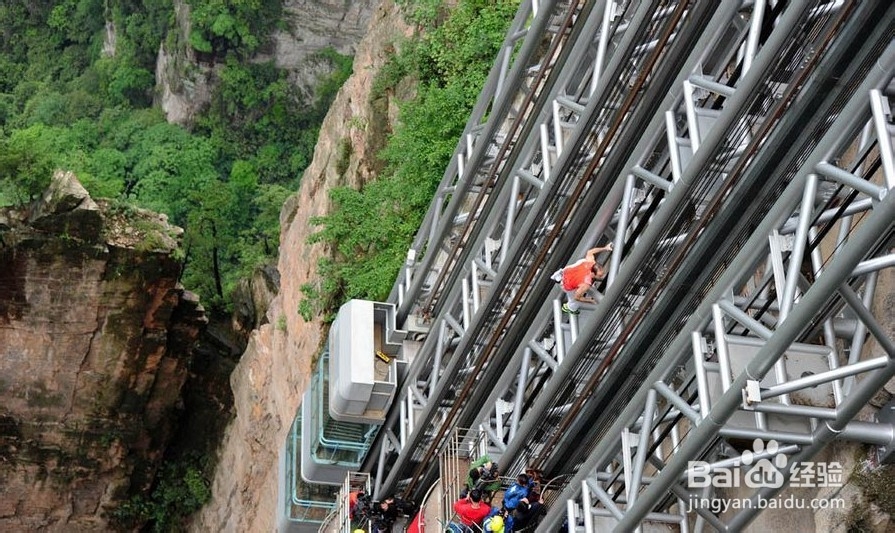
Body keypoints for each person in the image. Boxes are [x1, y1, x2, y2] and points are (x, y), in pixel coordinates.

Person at [557, 243, 613, 314]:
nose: (601, 277)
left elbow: (590, 251)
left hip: (567, 271)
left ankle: (559, 274)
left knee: (582, 261)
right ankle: (569, 308)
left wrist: (605, 248)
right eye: (599, 276)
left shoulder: (590, 262)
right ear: (592, 274)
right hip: (566, 284)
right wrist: (589, 300)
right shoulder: (585, 284)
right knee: (574, 301)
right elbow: (577, 297)